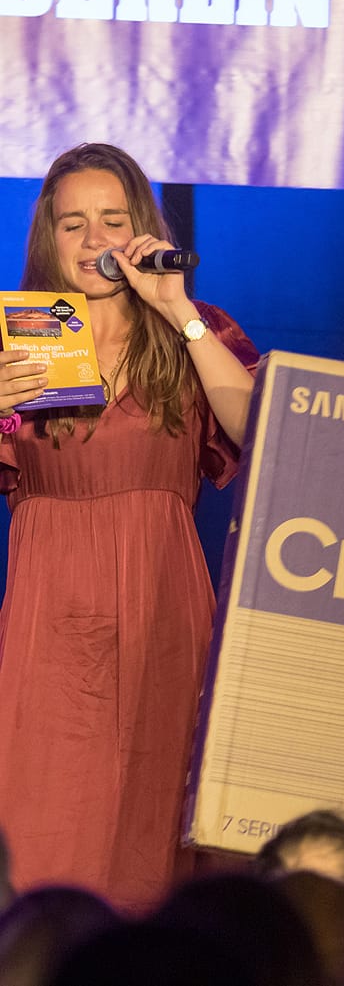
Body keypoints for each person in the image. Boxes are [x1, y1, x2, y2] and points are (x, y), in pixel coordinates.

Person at [0, 143, 259, 911]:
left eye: (112, 220)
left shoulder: (193, 331)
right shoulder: (16, 343)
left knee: (151, 832)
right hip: (49, 623)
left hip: (161, 616)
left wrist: (178, 310)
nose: (93, 240)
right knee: (43, 825)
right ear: (47, 237)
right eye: (72, 223)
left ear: (141, 228)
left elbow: (258, 429)